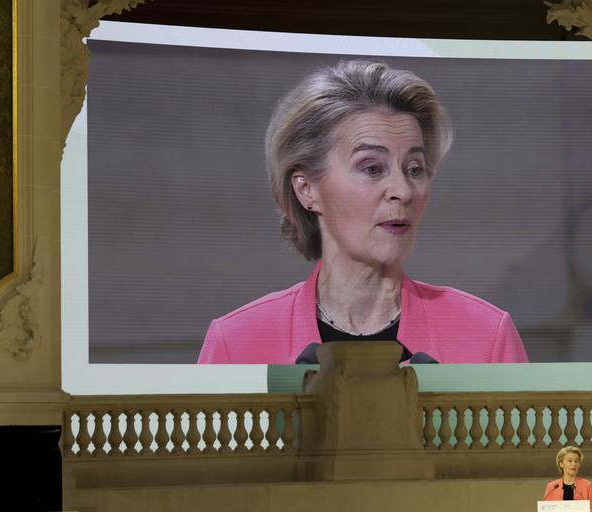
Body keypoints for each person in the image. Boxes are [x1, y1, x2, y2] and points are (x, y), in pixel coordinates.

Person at [198, 60, 528, 364]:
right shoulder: (236, 343)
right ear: (306, 189)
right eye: (371, 168)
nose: (402, 190)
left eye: (414, 168)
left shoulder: (486, 336)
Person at [541, 446, 592, 512]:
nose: (574, 464)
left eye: (576, 461)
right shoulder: (552, 487)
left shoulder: (587, 485)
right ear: (561, 464)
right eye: (570, 461)